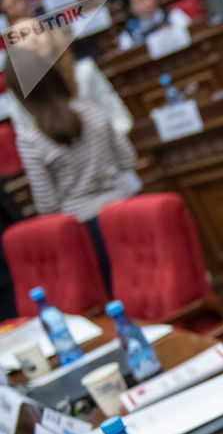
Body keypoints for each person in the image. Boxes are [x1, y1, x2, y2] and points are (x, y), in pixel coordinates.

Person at [4, 50, 141, 293]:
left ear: (19, 94)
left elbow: (47, 204)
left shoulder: (30, 140)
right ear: (54, 74)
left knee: (115, 297)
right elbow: (128, 159)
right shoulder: (91, 109)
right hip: (128, 211)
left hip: (84, 231)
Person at [6, 16, 132, 136]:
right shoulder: (19, 96)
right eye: (23, 36)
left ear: (51, 35)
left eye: (38, 30)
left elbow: (119, 117)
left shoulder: (84, 71)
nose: (33, 38)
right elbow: (26, 138)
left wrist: (110, 142)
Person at [117, 0, 192, 51]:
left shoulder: (174, 16)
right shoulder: (128, 38)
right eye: (140, 0)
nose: (147, 3)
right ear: (130, 8)